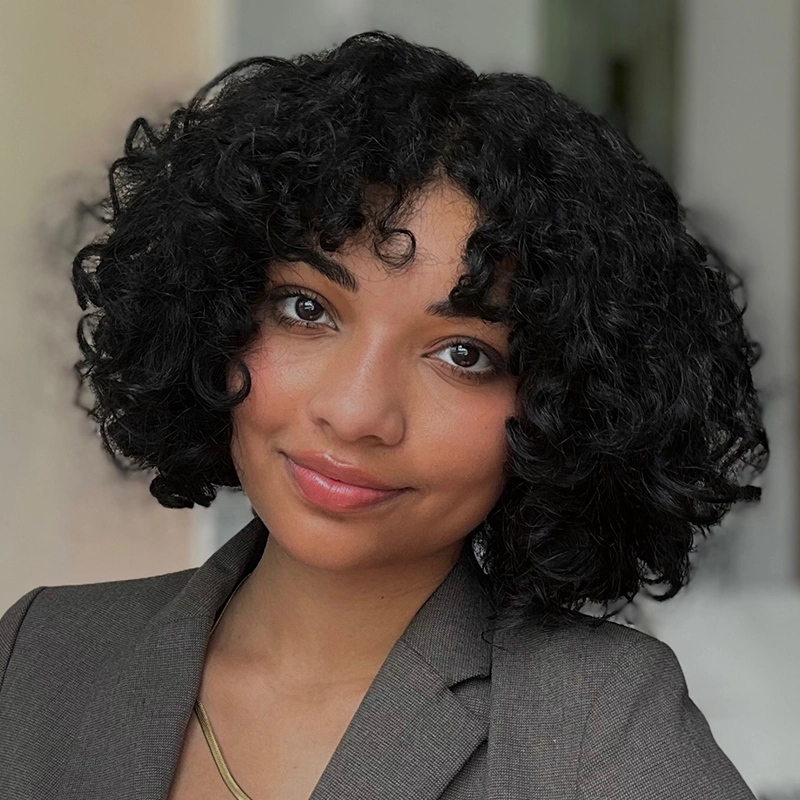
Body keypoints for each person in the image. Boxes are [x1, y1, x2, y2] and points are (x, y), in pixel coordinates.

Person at [0, 30, 768, 800]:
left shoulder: (594, 726)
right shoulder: (37, 660)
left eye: (464, 354)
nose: (356, 411)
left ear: (563, 413)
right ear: (213, 312)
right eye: (307, 308)